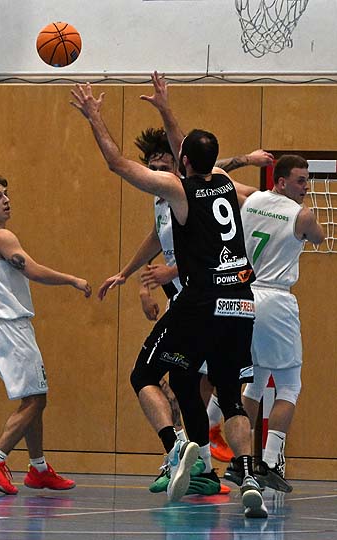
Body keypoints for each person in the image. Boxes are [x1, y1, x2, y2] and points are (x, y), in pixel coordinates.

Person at [71, 78, 267, 518]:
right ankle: (247, 474)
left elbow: (118, 163)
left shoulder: (179, 191)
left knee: (143, 374)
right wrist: (165, 109)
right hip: (241, 301)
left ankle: (176, 446)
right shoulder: (224, 182)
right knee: (230, 395)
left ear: (182, 162)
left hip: (201, 301)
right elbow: (187, 151)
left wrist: (95, 117)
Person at [134, 128, 274, 469]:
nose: (158, 173)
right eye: (152, 168)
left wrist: (247, 160)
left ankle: (188, 452)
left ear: (179, 165)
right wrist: (133, 278)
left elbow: (203, 248)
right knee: (186, 383)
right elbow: (158, 239)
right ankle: (200, 462)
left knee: (168, 378)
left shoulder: (188, 191)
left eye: (164, 166)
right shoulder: (162, 200)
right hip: (192, 298)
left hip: (202, 299)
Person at [0, 175, 92, 495]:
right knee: (36, 400)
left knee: (34, 398)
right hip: (11, 327)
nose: (6, 200)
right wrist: (72, 280)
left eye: (6, 194)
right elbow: (32, 269)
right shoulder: (0, 236)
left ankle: (38, 469)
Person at [235, 155, 324, 492]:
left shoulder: (252, 199)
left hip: (245, 297)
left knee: (255, 382)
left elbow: (217, 175)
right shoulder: (302, 215)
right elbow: (318, 237)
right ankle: (270, 461)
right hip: (275, 299)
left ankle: (240, 460)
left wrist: (243, 160)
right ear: (282, 181)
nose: (306, 187)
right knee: (289, 385)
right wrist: (302, 214)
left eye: (307, 180)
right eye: (300, 180)